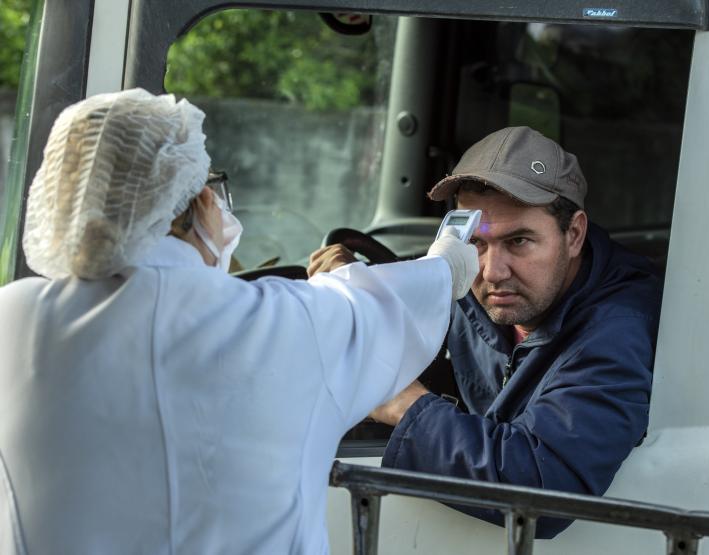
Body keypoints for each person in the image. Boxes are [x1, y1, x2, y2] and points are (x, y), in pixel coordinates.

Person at [0, 88, 478, 555]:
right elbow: (386, 305)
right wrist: (451, 261)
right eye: (209, 185)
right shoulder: (291, 326)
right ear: (199, 201)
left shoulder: (13, 319)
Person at [309, 126, 662, 539]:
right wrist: (361, 286)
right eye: (476, 243)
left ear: (574, 234)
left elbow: (543, 489)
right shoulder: (475, 277)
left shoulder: (617, 330)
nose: (492, 273)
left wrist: (402, 404)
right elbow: (422, 293)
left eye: (520, 241)